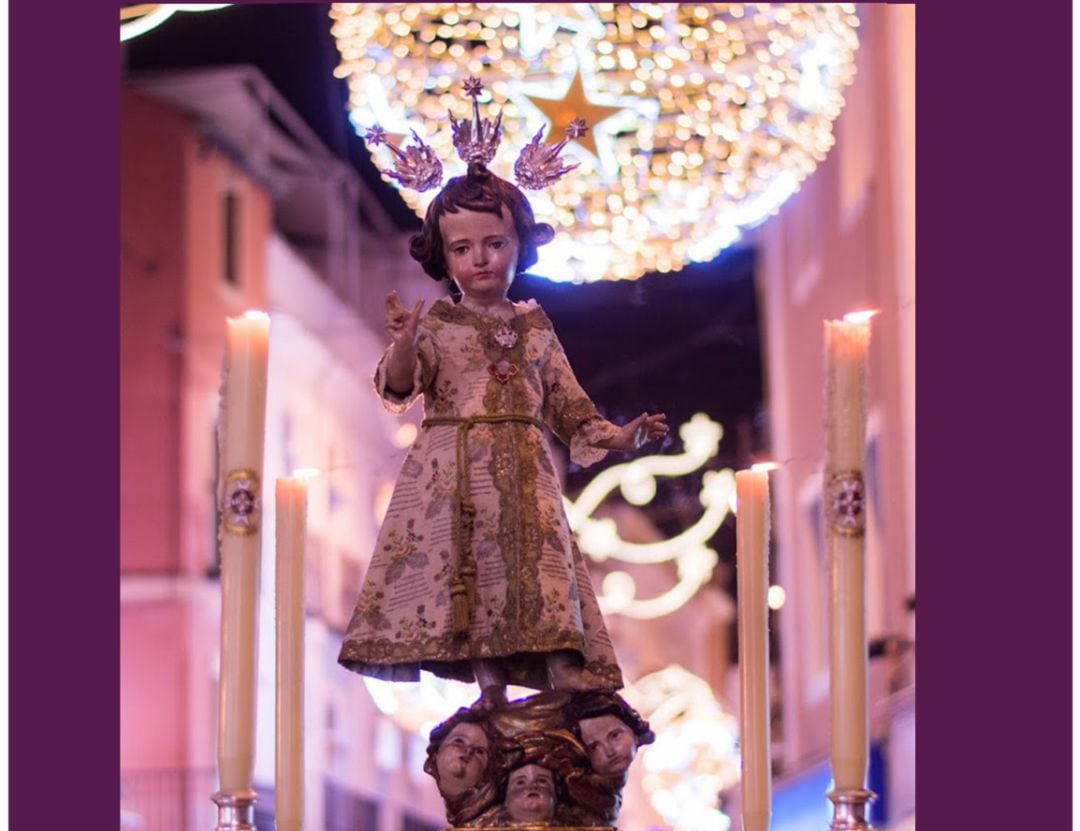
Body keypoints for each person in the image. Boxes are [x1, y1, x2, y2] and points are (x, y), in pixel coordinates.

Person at [338, 78, 668, 702]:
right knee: (471, 582)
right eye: (462, 249)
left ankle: (556, 685)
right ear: (443, 254)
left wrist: (623, 436)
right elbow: (400, 385)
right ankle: (488, 695)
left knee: (536, 574)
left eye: (495, 244)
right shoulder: (436, 321)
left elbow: (571, 410)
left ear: (521, 246)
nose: (480, 260)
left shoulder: (536, 326)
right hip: (453, 477)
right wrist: (407, 340)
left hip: (522, 475)